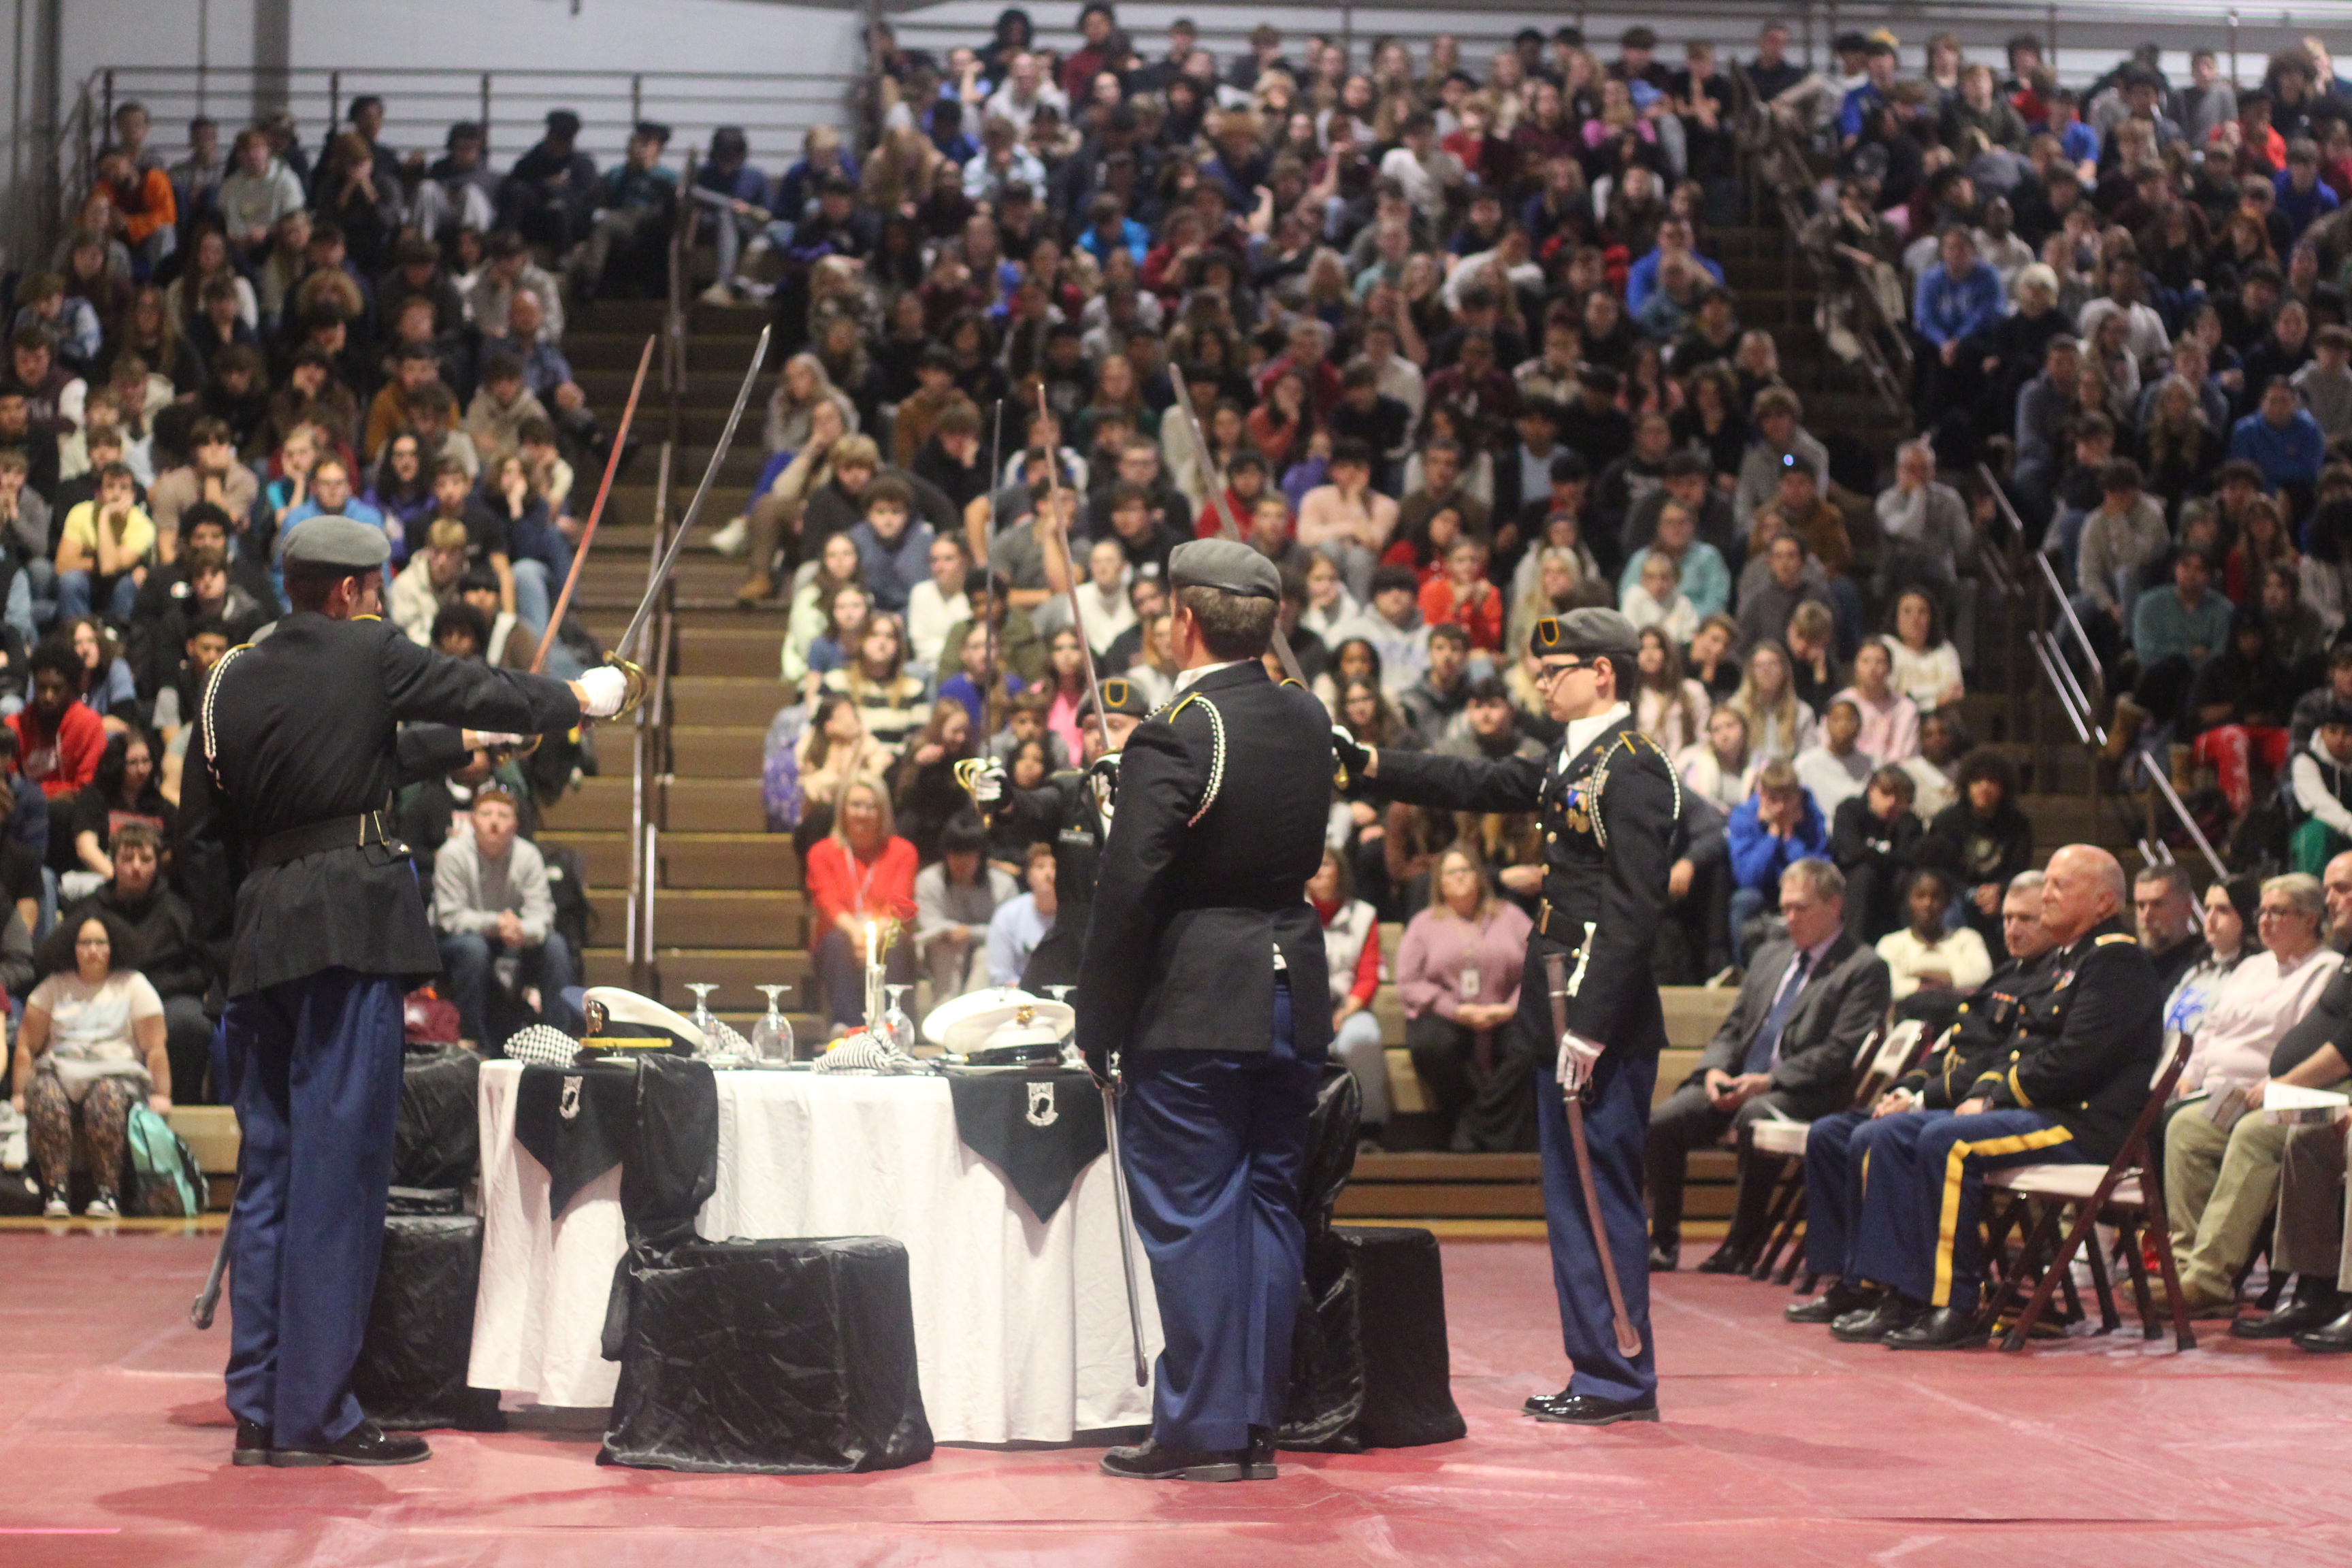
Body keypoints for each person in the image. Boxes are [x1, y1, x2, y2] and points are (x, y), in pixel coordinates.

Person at [179, 516, 608, 1467]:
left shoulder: (227, 680)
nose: (379, 600)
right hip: (347, 934)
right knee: (339, 1181)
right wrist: (576, 696)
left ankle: (259, 1408)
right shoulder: (369, 649)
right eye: (374, 586)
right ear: (347, 592)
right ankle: (316, 1417)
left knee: (269, 1185)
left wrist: (224, 963)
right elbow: (478, 684)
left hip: (258, 948)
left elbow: (209, 839)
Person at [1336, 606, 1678, 1424]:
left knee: (1600, 1201)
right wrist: (1373, 764)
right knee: (1569, 1199)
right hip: (1556, 1001)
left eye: (1558, 671)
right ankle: (1596, 1365)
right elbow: (1473, 782)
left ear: (1605, 673)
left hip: (1598, 1012)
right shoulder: (1573, 758)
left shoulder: (1633, 767)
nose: (1543, 682)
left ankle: (1621, 1376)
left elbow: (1633, 911)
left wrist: (1590, 1027)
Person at [1076, 538, 1335, 1482]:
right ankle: (1257, 1417)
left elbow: (1128, 888)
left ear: (1182, 619)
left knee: (1189, 1216)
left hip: (1197, 999)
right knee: (1268, 1206)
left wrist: (1095, 1019)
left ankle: (1198, 1427)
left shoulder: (1178, 728)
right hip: (1291, 991)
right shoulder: (1308, 717)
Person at [1820, 845, 2160, 1349]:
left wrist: (1996, 1098)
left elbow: (2074, 1061)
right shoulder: (2072, 959)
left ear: (2104, 902)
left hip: (2084, 1124)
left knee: (1949, 1141)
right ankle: (1899, 1294)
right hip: (2043, 1111)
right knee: (1890, 1133)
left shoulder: (2117, 960)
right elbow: (2028, 1047)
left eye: (2061, 885)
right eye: (2046, 882)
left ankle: (1952, 1305)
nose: (2047, 893)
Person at [1784, 872, 2059, 1326]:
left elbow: (1993, 1061)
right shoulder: (2006, 974)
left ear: (2052, 921)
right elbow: (1952, 1047)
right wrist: (1905, 1088)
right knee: (1831, 1134)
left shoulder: (2047, 982)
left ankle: (1885, 1287)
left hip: (1979, 1104)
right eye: (2008, 917)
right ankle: (1848, 1279)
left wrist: (1919, 1101)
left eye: (2027, 919)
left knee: (1883, 1136)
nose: (2012, 928)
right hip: (1949, 1097)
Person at [1645, 858, 1891, 1271]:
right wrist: (1714, 1072)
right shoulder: (1769, 957)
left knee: (1754, 1116)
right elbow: (1733, 1028)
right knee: (1663, 1122)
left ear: (1835, 907)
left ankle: (1741, 1245)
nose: (1789, 918)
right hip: (1738, 1081)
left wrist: (1768, 1081)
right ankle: (1663, 1241)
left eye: (1801, 908)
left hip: (1804, 1093)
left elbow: (1839, 1053)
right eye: (1785, 908)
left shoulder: (1864, 968)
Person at [2164, 872, 2342, 1317]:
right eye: (2261, 911)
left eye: (2276, 912)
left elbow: (2313, 1046)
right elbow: (2212, 1028)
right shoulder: (2251, 966)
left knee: (2251, 1133)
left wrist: (2274, 1086)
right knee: (2186, 1128)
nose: (2263, 921)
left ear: (2309, 919)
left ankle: (2210, 1277)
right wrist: (2194, 1075)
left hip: (2279, 1093)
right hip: (2224, 1091)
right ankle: (2182, 1266)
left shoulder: (2327, 970)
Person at [973, 679, 1149, 992]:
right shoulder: (1070, 790)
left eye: (1115, 726)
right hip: (1074, 952)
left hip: (1141, 949)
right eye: (1092, 727)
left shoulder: (1160, 795)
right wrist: (1005, 800)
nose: (1101, 737)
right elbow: (1033, 809)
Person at [8, 908, 167, 1219]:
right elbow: (27, 1044)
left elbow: (155, 1046)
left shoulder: (133, 985)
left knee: (104, 1098)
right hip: (61, 1071)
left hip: (116, 1074)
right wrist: (18, 1092)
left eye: (100, 942)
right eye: (85, 943)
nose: (92, 950)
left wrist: (163, 1094)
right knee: (44, 1094)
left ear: (113, 947)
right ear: (72, 947)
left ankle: (108, 1193)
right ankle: (56, 1192)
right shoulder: (54, 986)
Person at [1396, 842, 1536, 1153]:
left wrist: (1509, 1008)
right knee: (1432, 1045)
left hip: (1504, 1015)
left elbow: (1536, 969)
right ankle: (1475, 1126)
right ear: (1440, 882)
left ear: (1479, 876)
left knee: (1529, 1046)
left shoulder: (1510, 916)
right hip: (1448, 1017)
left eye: (1465, 870)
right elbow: (1407, 982)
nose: (1459, 877)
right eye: (1450, 872)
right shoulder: (1424, 924)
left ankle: (1471, 1127)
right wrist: (1455, 1010)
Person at [431, 785, 578, 1049]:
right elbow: (450, 917)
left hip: (513, 938)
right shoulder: (452, 854)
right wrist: (496, 924)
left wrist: (522, 930)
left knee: (555, 947)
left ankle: (560, 1041)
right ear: (473, 821)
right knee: (473, 949)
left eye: (503, 815)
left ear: (515, 825)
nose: (495, 822)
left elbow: (543, 916)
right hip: (461, 941)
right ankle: (472, 1041)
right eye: (487, 814)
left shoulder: (528, 855)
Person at [803, 776, 919, 1032]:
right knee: (836, 942)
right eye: (856, 805)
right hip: (840, 937)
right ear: (842, 810)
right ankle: (845, 1026)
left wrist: (873, 938)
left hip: (884, 936)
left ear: (883, 812)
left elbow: (900, 903)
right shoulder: (821, 853)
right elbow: (827, 902)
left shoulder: (903, 852)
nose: (863, 814)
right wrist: (857, 934)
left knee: (895, 943)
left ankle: (890, 1025)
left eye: (871, 806)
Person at [1308, 847, 1390, 1150]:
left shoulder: (1364, 914)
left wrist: (1343, 1015)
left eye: (1327, 864)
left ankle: (1368, 1129)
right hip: (1304, 1009)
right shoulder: (1292, 912)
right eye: (1314, 865)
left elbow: (1369, 976)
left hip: (1349, 1008)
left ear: (1340, 871)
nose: (1319, 871)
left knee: (1363, 1038)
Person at [912, 811, 1014, 1003]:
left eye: (969, 855)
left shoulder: (1003, 885)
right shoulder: (929, 881)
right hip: (942, 954)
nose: (961, 862)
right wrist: (953, 932)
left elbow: (1009, 932)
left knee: (986, 954)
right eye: (955, 854)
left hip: (990, 955)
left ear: (981, 856)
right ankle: (944, 1009)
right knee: (946, 949)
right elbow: (928, 924)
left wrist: (970, 933)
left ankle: (973, 1011)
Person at [985, 840, 1058, 983]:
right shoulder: (1007, 916)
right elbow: (1000, 977)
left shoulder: (1079, 916)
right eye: (1040, 867)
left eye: (1055, 867)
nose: (1049, 874)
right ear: (1029, 876)